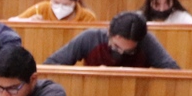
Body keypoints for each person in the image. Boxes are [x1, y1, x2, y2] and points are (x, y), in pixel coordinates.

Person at [44, 12, 180, 69]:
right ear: (109, 32)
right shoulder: (91, 37)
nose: (120, 54)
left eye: (129, 51)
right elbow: (51, 64)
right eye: (115, 47)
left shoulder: (147, 41)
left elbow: (173, 71)